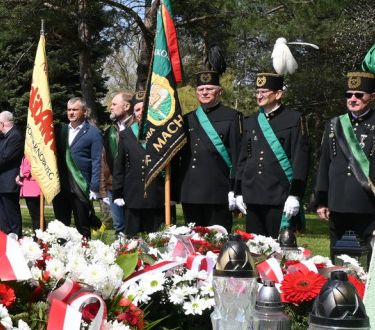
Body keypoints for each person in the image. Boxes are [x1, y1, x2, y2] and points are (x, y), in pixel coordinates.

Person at [314, 71, 375, 262]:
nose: (352, 99)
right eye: (349, 94)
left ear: (372, 97)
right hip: (338, 202)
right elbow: (325, 163)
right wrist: (322, 200)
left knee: (367, 255)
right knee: (337, 253)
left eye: (358, 95)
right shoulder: (335, 124)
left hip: (366, 203)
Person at [233, 71, 310, 239]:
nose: (259, 96)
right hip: (252, 193)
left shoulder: (294, 119)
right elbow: (243, 160)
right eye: (257, 92)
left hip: (279, 193)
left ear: (278, 94)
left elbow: (300, 159)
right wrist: (238, 191)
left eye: (263, 92)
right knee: (254, 247)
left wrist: (295, 195)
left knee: (278, 248)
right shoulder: (250, 121)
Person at [176, 70, 243, 231]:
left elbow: (238, 157)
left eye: (210, 89)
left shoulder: (233, 116)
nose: (205, 92)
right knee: (193, 241)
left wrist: (236, 189)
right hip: (191, 191)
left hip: (218, 191)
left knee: (218, 242)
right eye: (201, 89)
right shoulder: (186, 119)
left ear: (219, 92)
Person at [112, 93, 165, 234]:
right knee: (133, 240)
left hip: (157, 194)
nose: (141, 113)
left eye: (144, 109)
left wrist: (172, 195)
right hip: (132, 195)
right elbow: (120, 166)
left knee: (157, 240)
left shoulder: (164, 133)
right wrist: (117, 193)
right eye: (137, 110)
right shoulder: (126, 134)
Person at [53, 97, 102, 238]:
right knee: (61, 227)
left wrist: (94, 187)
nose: (71, 113)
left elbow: (97, 162)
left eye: (75, 109)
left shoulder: (94, 133)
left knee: (82, 226)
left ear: (85, 111)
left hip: (80, 186)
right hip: (61, 187)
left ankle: (84, 255)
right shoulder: (60, 132)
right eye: (69, 110)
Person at [99, 92, 135, 236]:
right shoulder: (110, 131)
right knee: (119, 226)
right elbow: (104, 161)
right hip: (113, 186)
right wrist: (103, 189)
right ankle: (120, 256)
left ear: (127, 106)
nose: (111, 107)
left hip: (134, 185)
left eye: (114, 104)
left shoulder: (138, 127)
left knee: (133, 224)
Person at [0, 111, 24, 236]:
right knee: (4, 214)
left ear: (2, 123)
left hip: (9, 180)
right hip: (2, 180)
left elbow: (6, 157)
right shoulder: (5, 137)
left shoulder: (15, 136)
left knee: (11, 213)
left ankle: (16, 238)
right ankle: (9, 239)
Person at [17, 157, 44, 232]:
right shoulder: (26, 153)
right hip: (27, 186)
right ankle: (37, 235)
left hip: (33, 186)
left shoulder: (33, 152)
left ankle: (39, 237)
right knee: (34, 215)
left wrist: (21, 174)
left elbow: (33, 164)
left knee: (37, 215)